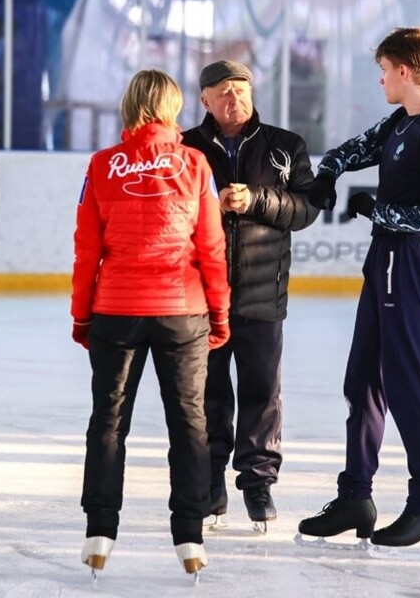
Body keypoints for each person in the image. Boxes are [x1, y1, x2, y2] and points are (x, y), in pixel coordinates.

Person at [296, 27, 420, 548]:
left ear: (405, 71)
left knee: (406, 382)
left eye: (384, 68)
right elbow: (356, 148)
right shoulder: (401, 121)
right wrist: (328, 171)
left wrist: (383, 211)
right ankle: (356, 496)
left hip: (409, 260)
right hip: (384, 258)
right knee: (363, 380)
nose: (379, 78)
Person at [71, 69, 231, 578]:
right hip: (182, 312)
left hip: (115, 310)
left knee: (108, 421)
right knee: (189, 424)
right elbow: (211, 248)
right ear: (172, 107)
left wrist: (82, 314)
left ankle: (99, 532)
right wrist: (219, 312)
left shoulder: (101, 166)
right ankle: (190, 538)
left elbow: (86, 251)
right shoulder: (196, 163)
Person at [181, 59, 319, 529]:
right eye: (221, 91)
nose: (232, 98)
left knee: (263, 391)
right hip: (203, 295)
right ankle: (211, 481)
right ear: (204, 100)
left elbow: (306, 208)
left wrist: (256, 200)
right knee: (208, 390)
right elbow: (174, 211)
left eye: (240, 89)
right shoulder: (188, 148)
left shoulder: (286, 145)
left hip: (264, 291)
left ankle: (257, 484)